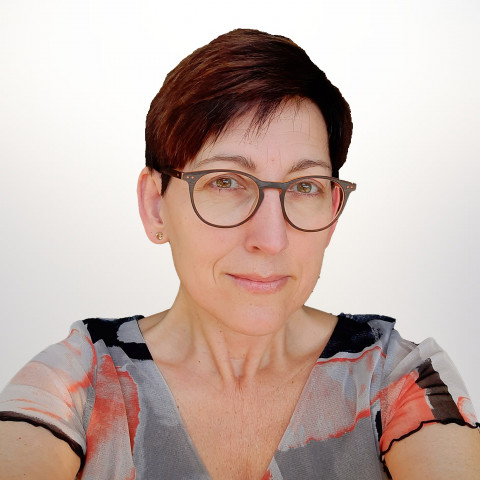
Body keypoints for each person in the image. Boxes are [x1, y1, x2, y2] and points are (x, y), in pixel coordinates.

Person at [0, 28, 479, 480]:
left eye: (305, 186)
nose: (271, 239)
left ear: (333, 211)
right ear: (155, 205)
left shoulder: (397, 378)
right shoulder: (74, 383)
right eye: (225, 181)